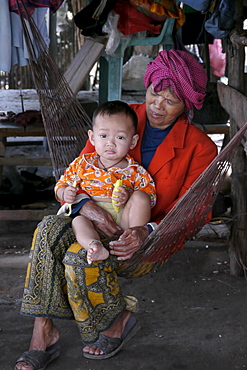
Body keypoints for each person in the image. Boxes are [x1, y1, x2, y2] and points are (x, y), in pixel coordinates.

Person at [15, 49, 218, 370]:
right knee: (47, 231)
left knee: (77, 258)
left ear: (187, 106)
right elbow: (81, 169)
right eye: (154, 93)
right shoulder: (120, 118)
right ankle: (43, 333)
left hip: (143, 240)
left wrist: (146, 231)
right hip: (92, 219)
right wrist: (88, 208)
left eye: (170, 101)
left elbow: (195, 211)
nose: (156, 105)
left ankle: (115, 321)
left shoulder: (199, 148)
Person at [55, 101, 156, 265]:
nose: (111, 143)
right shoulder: (83, 164)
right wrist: (65, 193)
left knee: (141, 197)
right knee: (78, 221)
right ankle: (94, 245)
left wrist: (129, 196)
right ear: (92, 138)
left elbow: (151, 198)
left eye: (120, 137)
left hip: (123, 222)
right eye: (103, 136)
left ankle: (129, 243)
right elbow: (60, 185)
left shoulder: (135, 171)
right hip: (91, 222)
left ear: (133, 141)